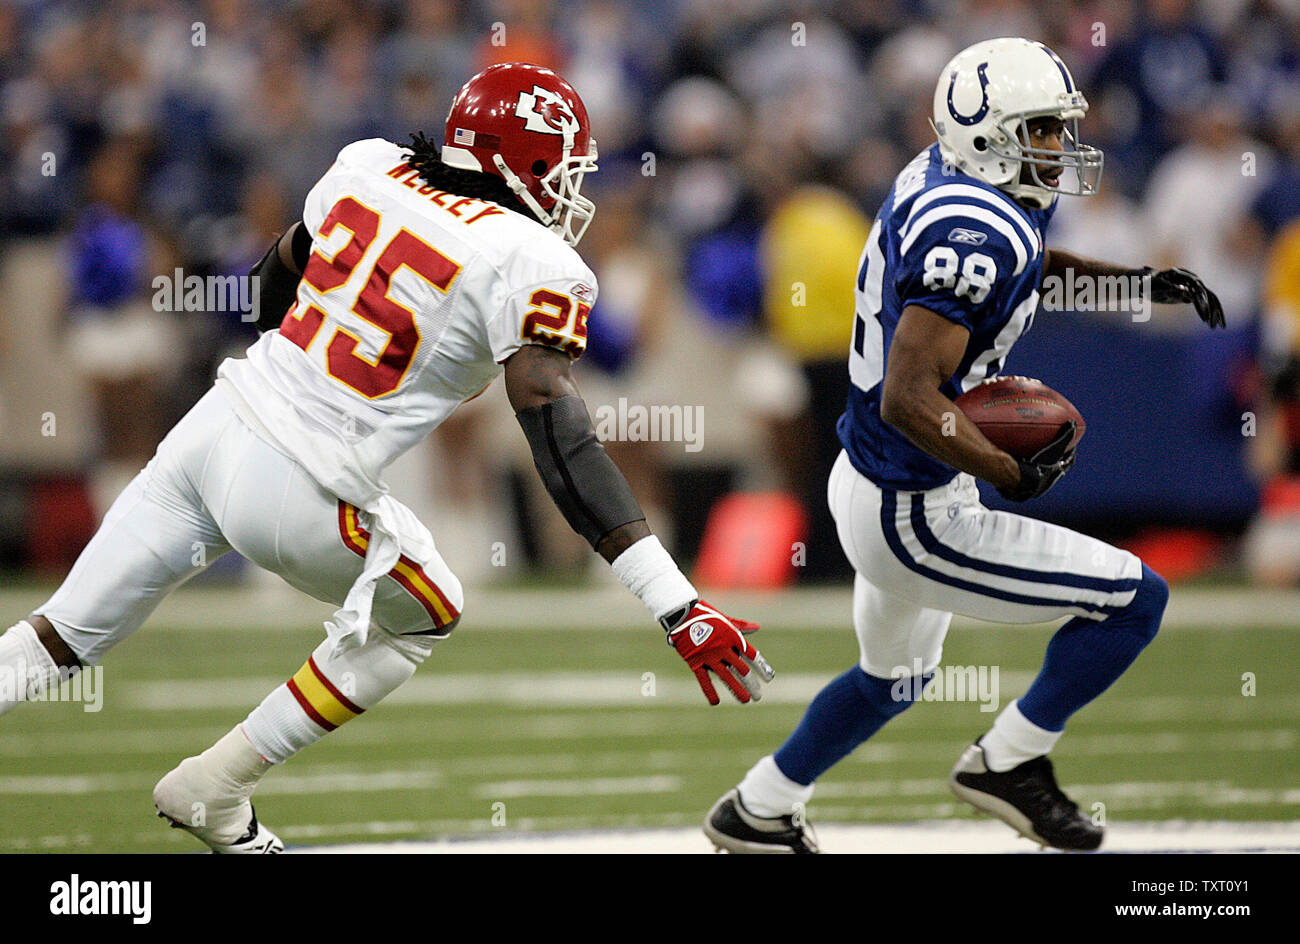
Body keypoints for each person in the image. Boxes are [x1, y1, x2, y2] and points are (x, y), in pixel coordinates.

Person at [0, 62, 772, 853]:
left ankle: (216, 796)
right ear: (527, 164)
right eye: (565, 170)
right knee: (428, 609)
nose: (574, 192)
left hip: (213, 427)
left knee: (56, 636)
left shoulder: (371, 166)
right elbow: (562, 444)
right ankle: (217, 784)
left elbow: (269, 290)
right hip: (300, 481)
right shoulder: (530, 259)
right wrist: (676, 604)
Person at [703, 37, 1223, 854]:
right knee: (1135, 600)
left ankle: (759, 808)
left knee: (893, 679)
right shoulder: (973, 225)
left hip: (870, 478)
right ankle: (1009, 763)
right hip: (915, 509)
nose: (1061, 146)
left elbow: (1020, 264)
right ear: (990, 132)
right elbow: (909, 397)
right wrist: (1008, 470)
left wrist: (1128, 282)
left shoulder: (957, 183)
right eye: (1044, 129)